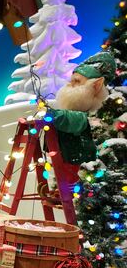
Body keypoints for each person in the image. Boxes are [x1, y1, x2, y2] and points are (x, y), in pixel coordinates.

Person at [50, 51, 115, 180]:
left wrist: (50, 115)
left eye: (77, 81)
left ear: (96, 86)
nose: (70, 85)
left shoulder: (92, 118)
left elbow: (67, 119)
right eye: (71, 80)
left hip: (85, 174)